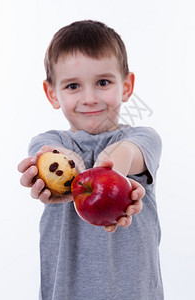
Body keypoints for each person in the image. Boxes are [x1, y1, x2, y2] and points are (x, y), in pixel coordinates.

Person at [18, 20, 164, 300]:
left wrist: (108, 168)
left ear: (126, 86)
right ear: (52, 94)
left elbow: (127, 153)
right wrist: (69, 165)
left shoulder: (144, 138)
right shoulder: (48, 145)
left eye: (103, 82)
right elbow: (57, 156)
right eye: (73, 85)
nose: (89, 98)